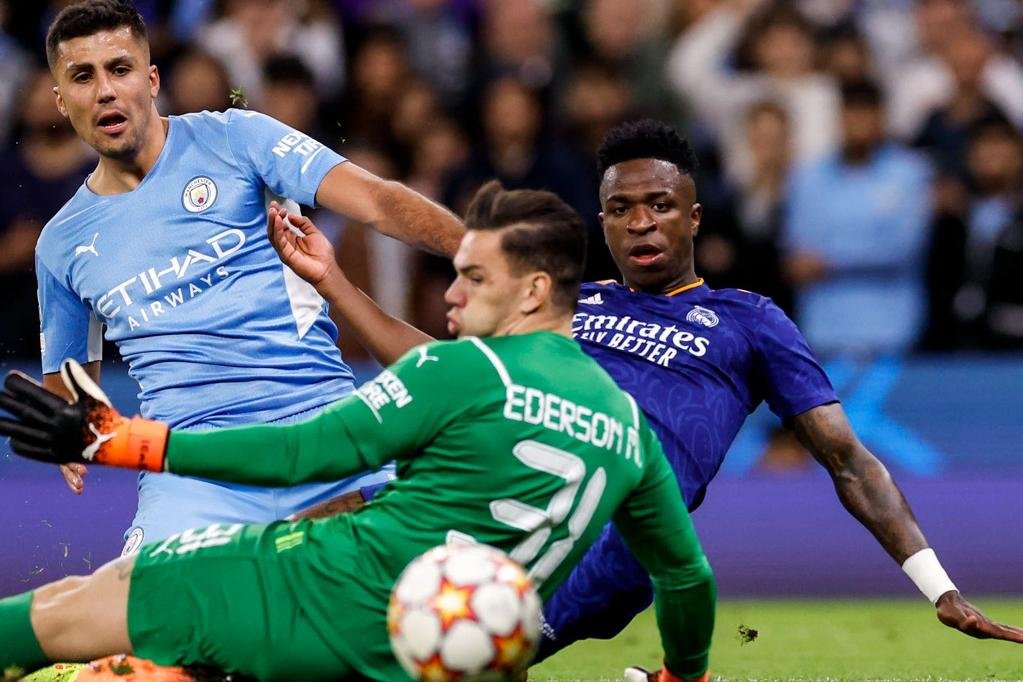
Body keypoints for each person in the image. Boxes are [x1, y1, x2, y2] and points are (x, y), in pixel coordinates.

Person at [284, 119, 1023, 665]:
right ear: (602, 222)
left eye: (660, 205)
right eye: (621, 208)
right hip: (492, 489)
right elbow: (441, 371)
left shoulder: (748, 320)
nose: (641, 222)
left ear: (692, 217)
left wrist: (938, 587)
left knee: (428, 652)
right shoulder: (571, 304)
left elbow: (849, 462)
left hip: (602, 535)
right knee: (316, 537)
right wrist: (332, 280)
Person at [0, 182, 716, 682]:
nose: (451, 293)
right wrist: (683, 676)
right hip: (444, 658)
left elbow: (297, 454)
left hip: (316, 600)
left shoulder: (464, 371)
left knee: (61, 612)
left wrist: (120, 439)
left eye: (474, 278)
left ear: (532, 291)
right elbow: (686, 577)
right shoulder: (629, 427)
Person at [35, 0, 465, 554]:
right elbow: (72, 388)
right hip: (192, 467)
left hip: (321, 428)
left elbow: (378, 202)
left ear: (152, 79)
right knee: (137, 603)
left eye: (120, 69)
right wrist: (72, 427)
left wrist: (481, 249)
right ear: (60, 100)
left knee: (431, 583)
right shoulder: (61, 243)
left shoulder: (237, 139)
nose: (105, 91)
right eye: (82, 77)